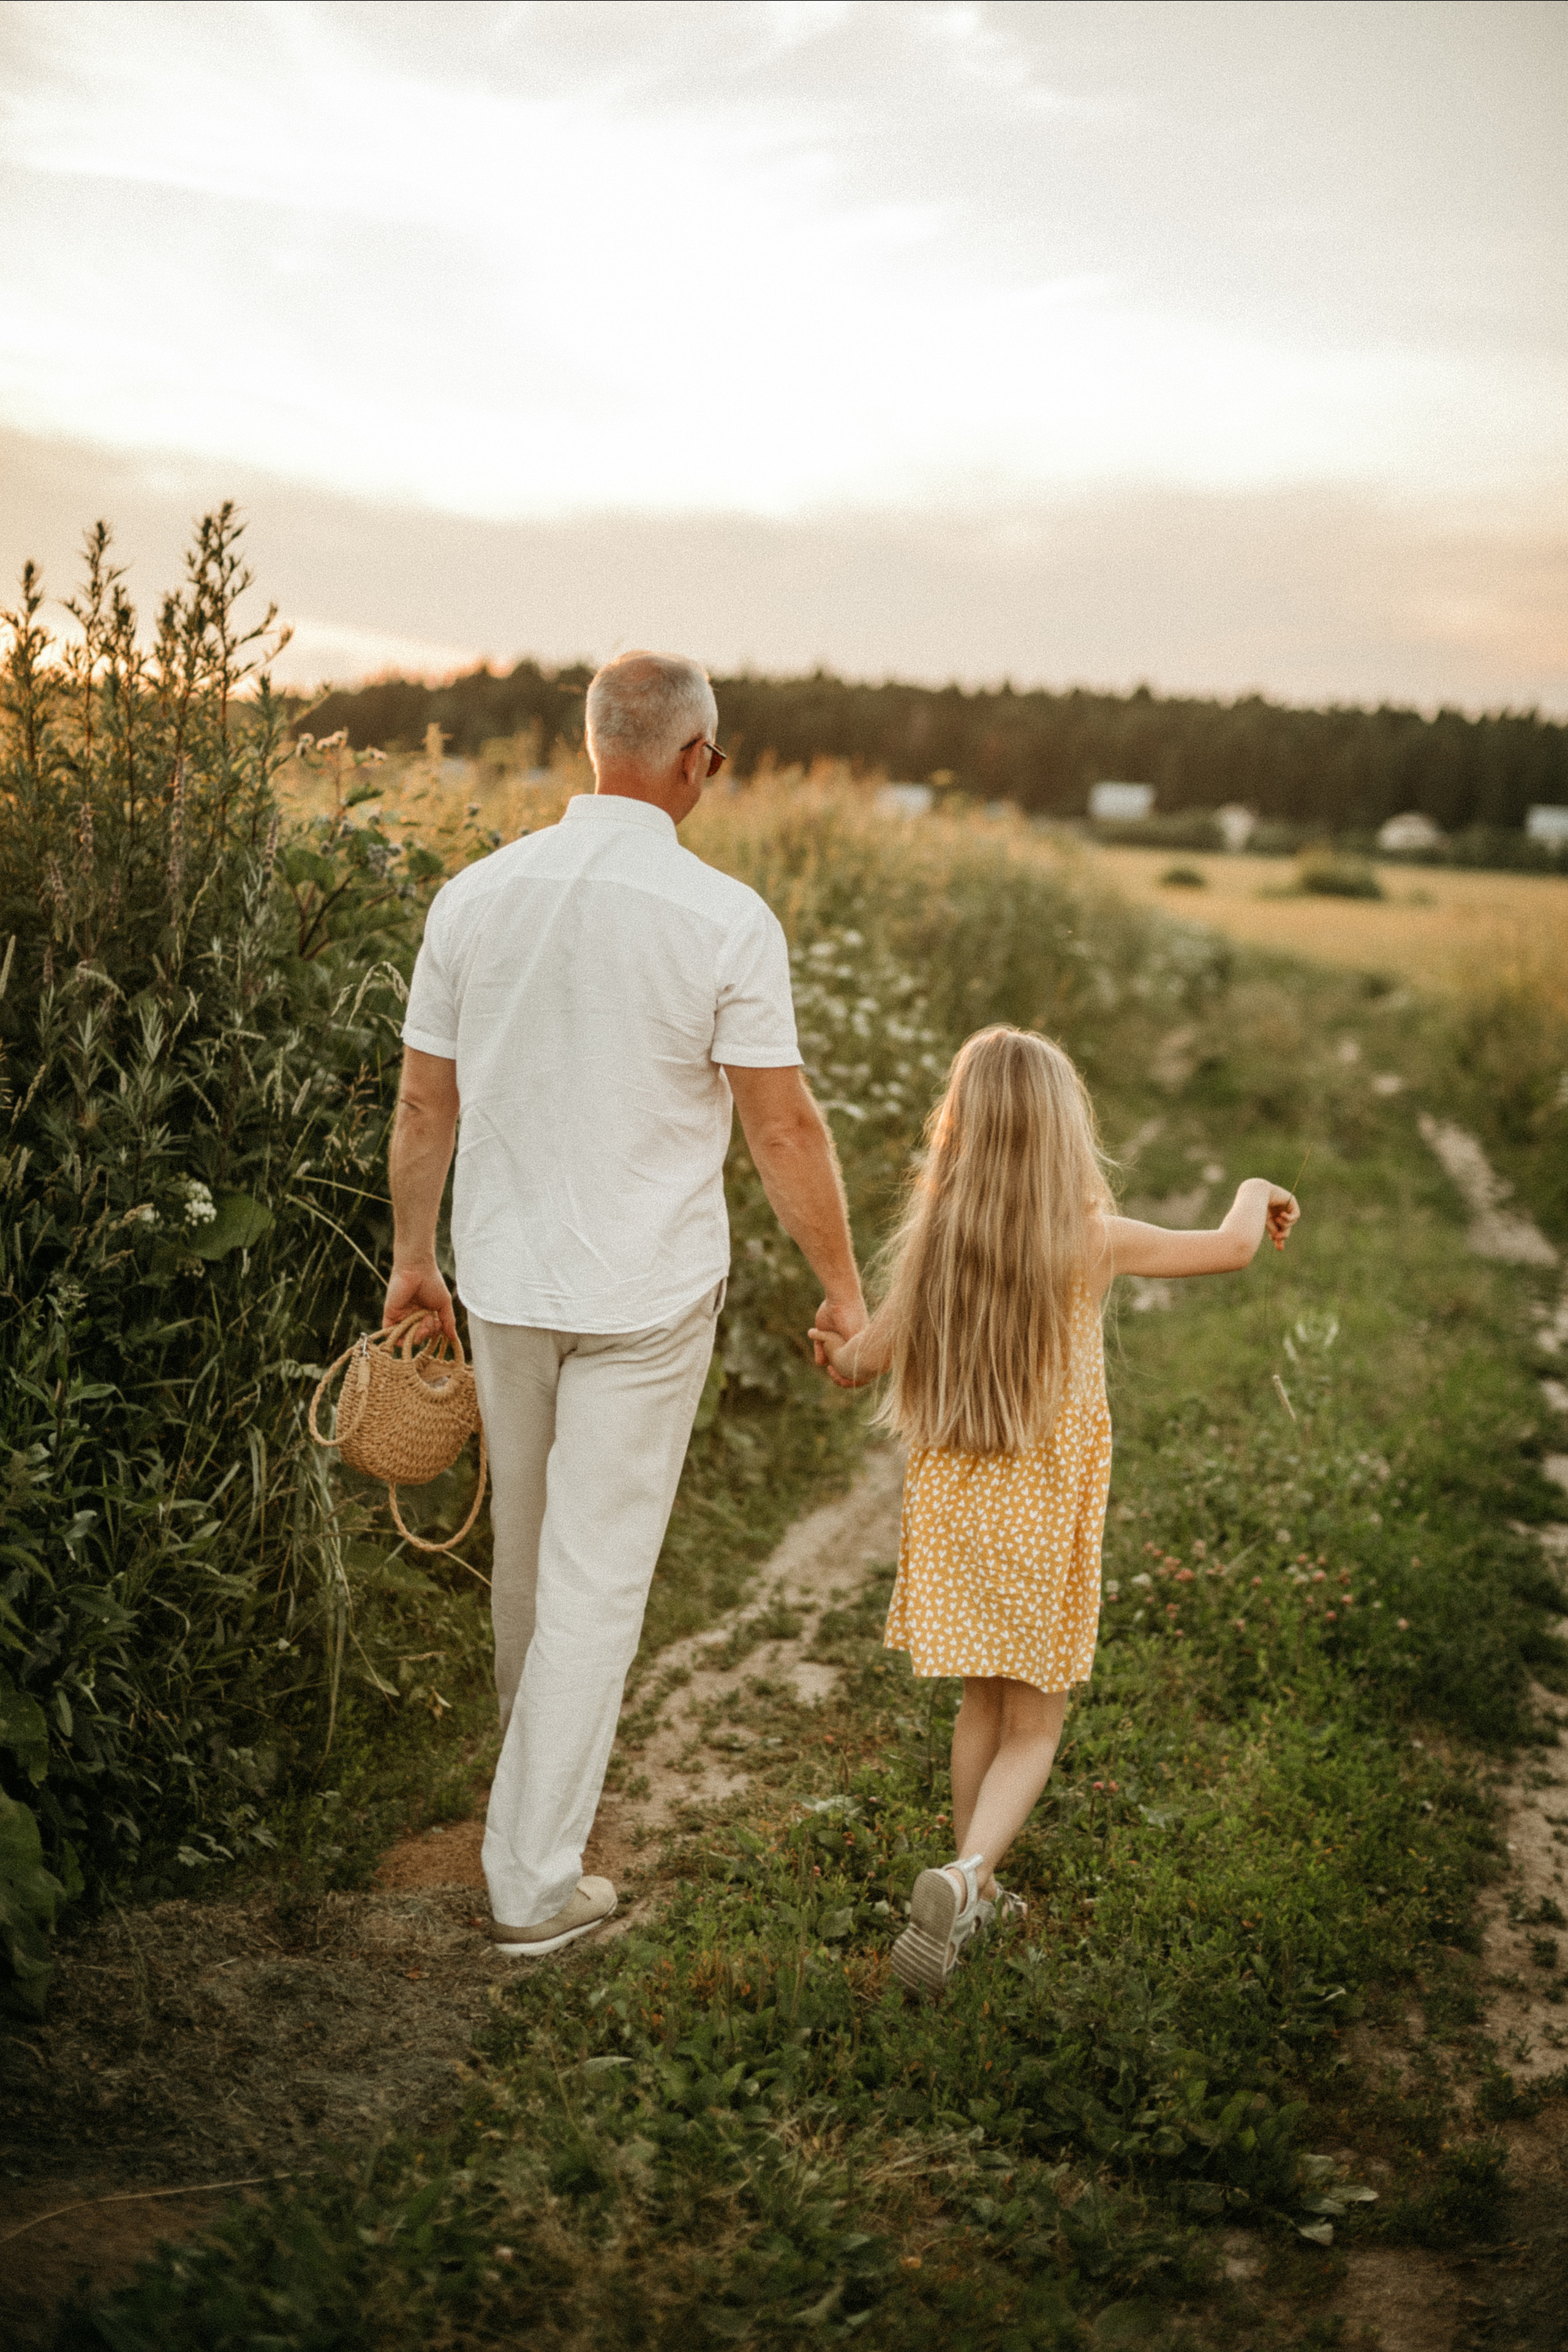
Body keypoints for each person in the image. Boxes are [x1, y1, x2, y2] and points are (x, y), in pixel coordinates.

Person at [386, 651, 866, 1957]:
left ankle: (523, 1815)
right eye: (715, 758)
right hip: (645, 1294)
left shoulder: (474, 899)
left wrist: (411, 1259)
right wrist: (842, 1293)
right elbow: (780, 1129)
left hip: (507, 1282)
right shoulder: (723, 919)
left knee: (530, 1570)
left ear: (592, 745)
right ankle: (534, 1883)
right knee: (593, 1585)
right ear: (691, 758)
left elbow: (427, 1101)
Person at [810, 1025, 1298, 1998]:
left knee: (979, 1704)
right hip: (1043, 1519)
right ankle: (966, 1877)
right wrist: (1258, 1188)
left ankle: (967, 1903)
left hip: (956, 1512)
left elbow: (858, 1359)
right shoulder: (1093, 1239)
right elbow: (1234, 1248)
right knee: (1035, 1725)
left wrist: (829, 1336)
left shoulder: (938, 1246)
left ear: (963, 1134)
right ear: (1065, 1134)